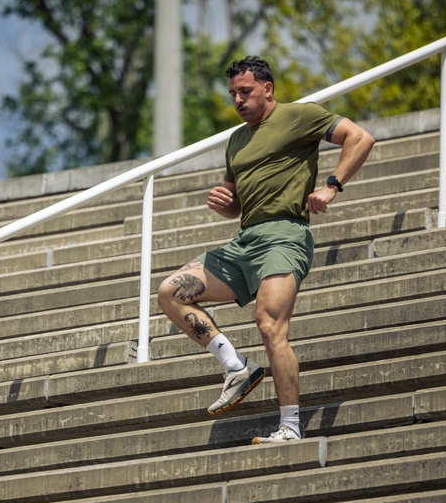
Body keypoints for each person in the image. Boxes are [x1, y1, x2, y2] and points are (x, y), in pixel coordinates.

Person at [157, 56, 375, 443]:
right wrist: (226, 204)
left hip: (285, 235)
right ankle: (236, 367)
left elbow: (360, 138)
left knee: (269, 324)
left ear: (268, 89)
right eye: (233, 94)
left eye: (246, 91)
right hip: (245, 239)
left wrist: (331, 185)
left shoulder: (298, 116)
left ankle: (290, 427)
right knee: (170, 292)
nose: (238, 100)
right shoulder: (236, 140)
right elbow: (237, 205)